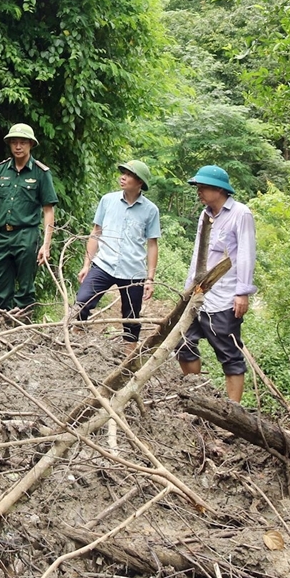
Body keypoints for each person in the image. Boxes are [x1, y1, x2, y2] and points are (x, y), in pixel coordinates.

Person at [176, 164, 257, 402]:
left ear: (219, 190)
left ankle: (233, 412)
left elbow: (246, 254)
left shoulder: (241, 214)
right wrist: (189, 287)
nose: (199, 191)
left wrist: (242, 292)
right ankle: (199, 396)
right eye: (198, 187)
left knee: (229, 354)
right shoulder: (206, 215)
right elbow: (199, 254)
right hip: (200, 294)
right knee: (183, 342)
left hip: (225, 297)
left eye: (203, 187)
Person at [72, 160, 161, 356]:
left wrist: (150, 278)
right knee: (82, 302)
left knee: (131, 316)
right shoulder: (107, 200)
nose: (123, 177)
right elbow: (96, 232)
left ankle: (129, 355)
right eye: (123, 173)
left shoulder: (150, 210)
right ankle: (75, 342)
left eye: (129, 175)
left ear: (139, 182)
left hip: (133, 270)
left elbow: (152, 244)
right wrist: (87, 264)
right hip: (103, 264)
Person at [0, 123, 58, 317]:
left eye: (22, 142)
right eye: (14, 142)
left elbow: (48, 210)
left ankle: (23, 330)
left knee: (25, 287)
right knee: (1, 285)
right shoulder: (0, 171)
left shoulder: (41, 173)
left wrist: (46, 245)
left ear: (31, 144)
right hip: (2, 236)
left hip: (27, 235)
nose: (18, 146)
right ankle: (0, 326)